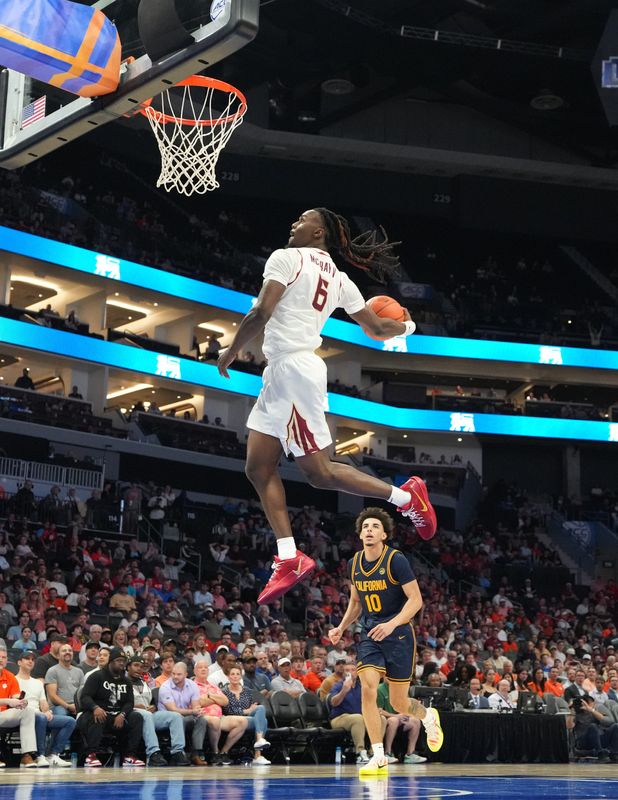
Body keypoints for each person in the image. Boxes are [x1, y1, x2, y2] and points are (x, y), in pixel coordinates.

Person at [217, 209, 437, 605]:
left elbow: (261, 312)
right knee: (257, 467)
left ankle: (406, 498)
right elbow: (377, 329)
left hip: (293, 372)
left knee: (319, 472)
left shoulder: (285, 258)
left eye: (300, 220)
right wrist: (409, 326)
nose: (292, 223)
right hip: (283, 375)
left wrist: (231, 351)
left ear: (317, 231)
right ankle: (289, 556)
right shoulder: (341, 280)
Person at [328, 508, 443, 776]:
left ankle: (428, 717)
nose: (368, 529)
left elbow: (416, 600)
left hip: (399, 635)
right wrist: (342, 626)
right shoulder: (354, 563)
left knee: (400, 704)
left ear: (384, 534)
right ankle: (378, 755)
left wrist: (392, 623)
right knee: (368, 688)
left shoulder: (396, 560)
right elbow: (356, 602)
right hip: (370, 634)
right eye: (365, 526)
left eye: (374, 526)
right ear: (360, 533)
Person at [77, 647, 145, 767]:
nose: (122, 663)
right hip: (94, 714)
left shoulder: (126, 681)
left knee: (137, 717)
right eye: (118, 660)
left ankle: (129, 756)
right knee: (98, 716)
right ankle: (91, 755)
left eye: (123, 661)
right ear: (111, 661)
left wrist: (122, 714)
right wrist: (95, 707)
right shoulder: (96, 676)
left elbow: (129, 702)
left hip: (116, 716)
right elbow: (85, 697)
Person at [126, 655, 189, 767]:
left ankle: (177, 752)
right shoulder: (122, 681)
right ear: (128, 667)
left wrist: (154, 706)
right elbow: (119, 702)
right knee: (146, 715)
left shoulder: (144, 682)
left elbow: (152, 700)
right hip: (132, 715)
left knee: (175, 716)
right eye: (135, 665)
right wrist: (134, 705)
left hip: (148, 713)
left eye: (141, 666)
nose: (138, 669)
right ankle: (153, 753)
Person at [16, 650, 75, 767]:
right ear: (19, 662)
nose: (30, 661)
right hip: (22, 715)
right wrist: (42, 714)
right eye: (27, 659)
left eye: (33, 660)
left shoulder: (37, 683)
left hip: (39, 714)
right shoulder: (14, 680)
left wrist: (47, 711)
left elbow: (43, 702)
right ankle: (39, 755)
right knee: (42, 718)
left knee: (70, 722)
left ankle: (53, 754)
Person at [192, 659, 247, 765]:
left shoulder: (213, 686)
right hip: (203, 716)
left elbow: (225, 701)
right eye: (200, 667)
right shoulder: (192, 686)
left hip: (220, 716)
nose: (203, 669)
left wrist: (209, 696)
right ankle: (215, 752)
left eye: (205, 667)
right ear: (194, 671)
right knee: (215, 721)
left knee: (242, 722)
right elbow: (199, 702)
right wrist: (216, 699)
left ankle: (224, 752)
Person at [158, 661, 207, 766]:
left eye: (179, 674)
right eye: (173, 673)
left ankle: (196, 754)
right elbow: (172, 709)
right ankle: (178, 753)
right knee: (177, 718)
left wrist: (197, 711)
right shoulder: (165, 687)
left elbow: (195, 707)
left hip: (184, 716)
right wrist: (192, 711)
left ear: (186, 674)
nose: (175, 676)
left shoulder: (192, 685)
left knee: (201, 719)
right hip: (167, 717)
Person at [223, 665, 271, 766]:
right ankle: (258, 754)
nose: (235, 676)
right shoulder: (224, 691)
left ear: (241, 677)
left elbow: (252, 707)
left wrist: (249, 710)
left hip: (247, 718)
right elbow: (228, 710)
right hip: (232, 719)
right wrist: (247, 711)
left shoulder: (247, 691)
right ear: (228, 677)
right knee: (264, 721)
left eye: (237, 674)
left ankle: (259, 742)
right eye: (232, 674)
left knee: (260, 708)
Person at [0, 645, 38, 767]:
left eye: (4, 657)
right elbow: (8, 701)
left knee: (28, 711)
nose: (1, 660)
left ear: (7, 660)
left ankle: (26, 755)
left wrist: (21, 701)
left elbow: (16, 696)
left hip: (4, 715)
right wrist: (7, 701)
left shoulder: (10, 676)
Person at [377, 679, 426, 764]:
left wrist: (408, 713)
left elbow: (405, 707)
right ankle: (387, 753)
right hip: (385, 719)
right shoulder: (380, 689)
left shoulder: (401, 689)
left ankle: (410, 754)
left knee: (415, 721)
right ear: (384, 677)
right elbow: (379, 711)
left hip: (400, 718)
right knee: (394, 721)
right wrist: (396, 716)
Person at [44, 643, 84, 717]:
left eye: (70, 650)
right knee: (62, 714)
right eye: (64, 651)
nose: (67, 652)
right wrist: (68, 706)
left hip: (77, 705)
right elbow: (52, 696)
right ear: (58, 656)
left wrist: (78, 706)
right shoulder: (52, 671)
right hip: (59, 707)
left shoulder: (79, 671)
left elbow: (82, 693)